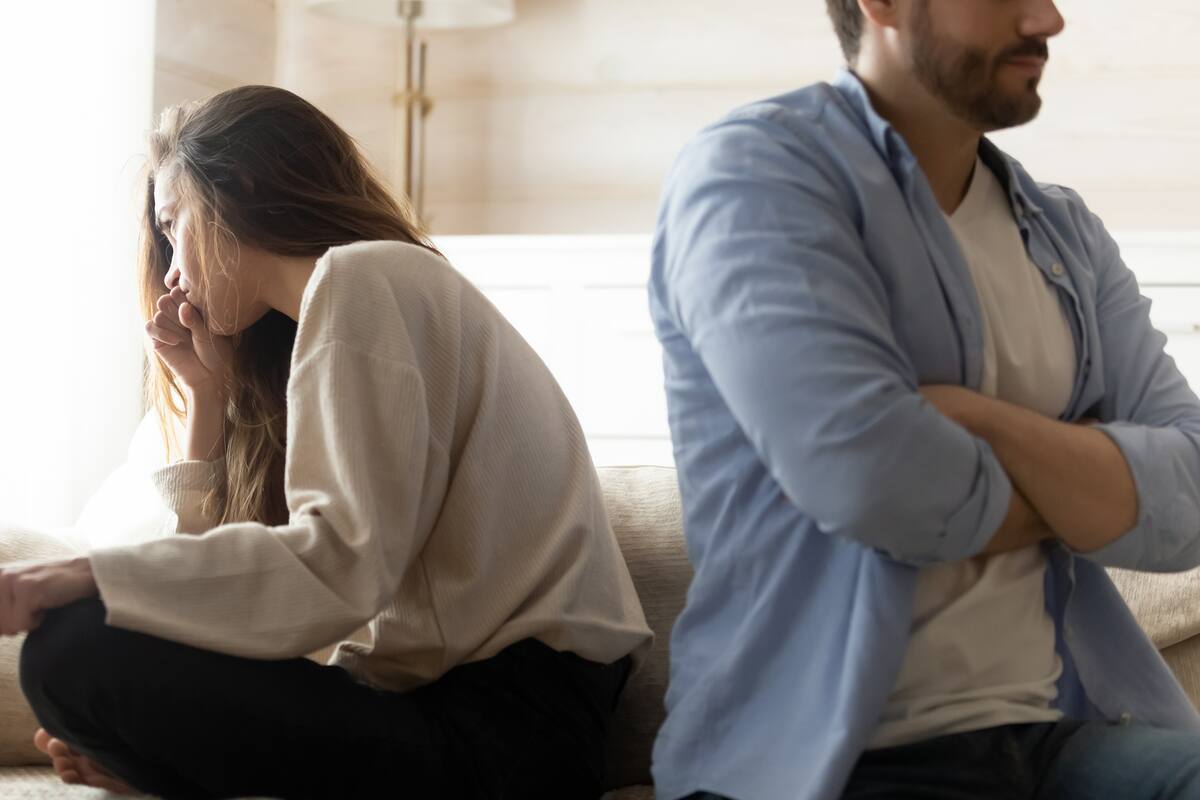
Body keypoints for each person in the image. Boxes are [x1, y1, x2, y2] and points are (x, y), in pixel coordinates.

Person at [0, 84, 652, 800]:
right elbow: (238, 598)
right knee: (82, 655)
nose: (174, 273)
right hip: (452, 715)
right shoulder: (336, 320)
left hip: (510, 728)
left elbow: (340, 566)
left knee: (73, 649)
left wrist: (89, 575)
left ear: (240, 189)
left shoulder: (366, 275)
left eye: (171, 224)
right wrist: (209, 399)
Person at [648, 1, 1200, 799]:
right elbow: (874, 483)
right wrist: (1088, 482)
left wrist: (976, 419)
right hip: (828, 765)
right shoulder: (753, 177)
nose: (1048, 20)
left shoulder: (1066, 234)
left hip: (1055, 738)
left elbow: (1191, 499)